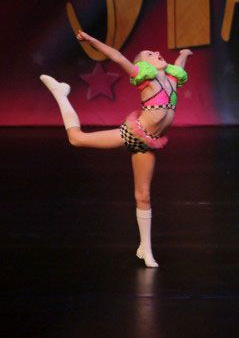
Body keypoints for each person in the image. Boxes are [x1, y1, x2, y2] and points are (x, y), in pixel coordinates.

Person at [40, 31, 192, 267]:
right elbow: (118, 57)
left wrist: (183, 54)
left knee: (143, 196)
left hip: (149, 142)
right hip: (133, 133)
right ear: (143, 65)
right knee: (76, 139)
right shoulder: (145, 80)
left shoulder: (171, 81)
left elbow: (178, 67)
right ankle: (61, 94)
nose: (158, 53)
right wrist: (91, 40)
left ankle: (145, 248)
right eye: (150, 54)